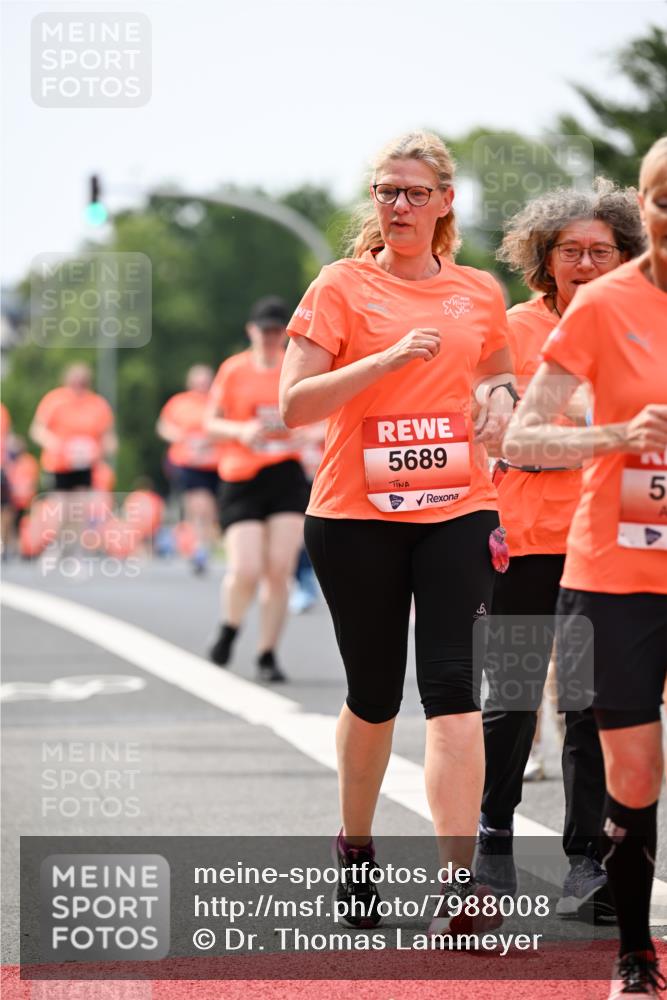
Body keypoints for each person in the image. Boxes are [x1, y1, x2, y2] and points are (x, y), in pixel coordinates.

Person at [280, 130, 517, 932]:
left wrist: (498, 402)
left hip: (456, 507)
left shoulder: (478, 291)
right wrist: (382, 361)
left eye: (415, 193)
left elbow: (493, 370)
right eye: (386, 191)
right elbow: (296, 404)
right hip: (354, 517)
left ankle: (458, 885)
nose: (398, 206)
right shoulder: (340, 285)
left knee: (452, 692)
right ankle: (355, 845)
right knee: (374, 698)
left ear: (445, 202)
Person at [503, 136, 667, 998]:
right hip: (614, 569)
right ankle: (634, 954)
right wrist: (619, 434)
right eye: (661, 198)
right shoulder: (601, 307)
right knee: (628, 769)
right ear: (641, 208)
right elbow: (522, 435)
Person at [478, 180, 646, 920]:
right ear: (542, 261)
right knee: (511, 696)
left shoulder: (641, 320)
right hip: (521, 536)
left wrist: (561, 432)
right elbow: (503, 434)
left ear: (624, 257)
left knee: (587, 704)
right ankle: (491, 838)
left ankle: (588, 860)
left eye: (599, 251)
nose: (583, 262)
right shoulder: (507, 327)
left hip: (610, 538)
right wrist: (594, 427)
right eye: (568, 251)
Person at [205, 297, 310, 683]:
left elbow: (322, 418)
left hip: (285, 474)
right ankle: (230, 627)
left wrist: (304, 436)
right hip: (241, 476)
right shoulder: (233, 371)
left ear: (284, 334)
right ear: (251, 331)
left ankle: (267, 652)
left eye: (275, 331)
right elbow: (211, 423)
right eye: (262, 331)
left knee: (278, 569)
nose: (269, 338)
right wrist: (241, 431)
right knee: (246, 567)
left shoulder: (294, 369)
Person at [157, 365, 222, 574]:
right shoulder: (179, 402)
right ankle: (198, 548)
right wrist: (179, 436)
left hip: (214, 462)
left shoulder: (218, 401)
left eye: (205, 381)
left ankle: (205, 546)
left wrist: (210, 440)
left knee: (211, 509)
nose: (202, 385)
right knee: (197, 505)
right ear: (190, 383)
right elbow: (163, 426)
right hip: (189, 462)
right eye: (198, 381)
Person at [29, 363, 116, 492]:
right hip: (58, 466)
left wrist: (98, 452)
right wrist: (56, 445)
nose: (78, 386)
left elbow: (109, 439)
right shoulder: (54, 400)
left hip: (87, 467)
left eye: (82, 383)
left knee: (81, 505)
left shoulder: (98, 404)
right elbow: (37, 430)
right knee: (60, 504)